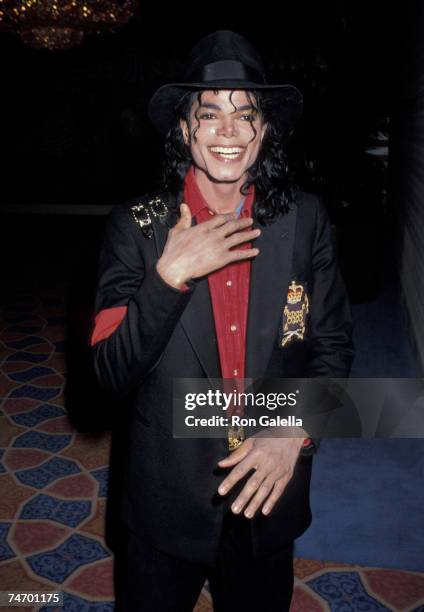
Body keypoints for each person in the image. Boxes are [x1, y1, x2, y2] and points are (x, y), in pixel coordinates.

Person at [90, 30, 354, 612]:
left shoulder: (306, 220)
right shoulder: (137, 227)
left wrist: (294, 432)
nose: (228, 132)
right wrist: (168, 278)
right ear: (185, 130)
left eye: (246, 115)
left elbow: (332, 345)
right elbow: (107, 375)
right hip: (165, 502)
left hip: (268, 496)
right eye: (209, 115)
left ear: (265, 130)